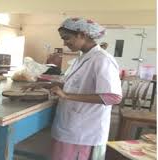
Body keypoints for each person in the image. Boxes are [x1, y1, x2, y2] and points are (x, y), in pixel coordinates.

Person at [25, 17, 122, 160]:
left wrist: (66, 96)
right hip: (70, 124)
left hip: (84, 130)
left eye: (67, 38)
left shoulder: (102, 59)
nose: (64, 43)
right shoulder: (81, 58)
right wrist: (46, 85)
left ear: (82, 35)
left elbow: (113, 97)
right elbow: (76, 85)